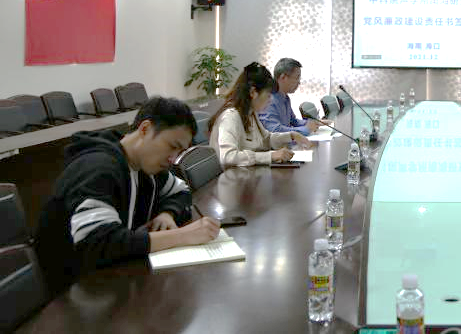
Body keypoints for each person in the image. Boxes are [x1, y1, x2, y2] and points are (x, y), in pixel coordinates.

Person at [34, 97, 222, 296]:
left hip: (111, 280)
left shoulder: (146, 166)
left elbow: (181, 191)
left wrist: (167, 213)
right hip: (70, 293)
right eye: (172, 146)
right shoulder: (98, 168)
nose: (173, 158)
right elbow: (98, 243)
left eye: (179, 151)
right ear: (145, 129)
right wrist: (183, 236)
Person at [209, 62, 312, 168]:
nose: (270, 100)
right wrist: (270, 156)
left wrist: (291, 135)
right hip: (232, 176)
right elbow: (227, 157)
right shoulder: (230, 117)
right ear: (253, 92)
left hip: (247, 172)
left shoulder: (250, 113)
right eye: (268, 95)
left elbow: (266, 139)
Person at [259, 57, 328, 135]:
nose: (299, 82)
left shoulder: (285, 98)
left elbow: (293, 121)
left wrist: (312, 123)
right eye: (297, 77)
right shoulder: (268, 100)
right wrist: (306, 129)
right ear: (283, 77)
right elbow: (274, 130)